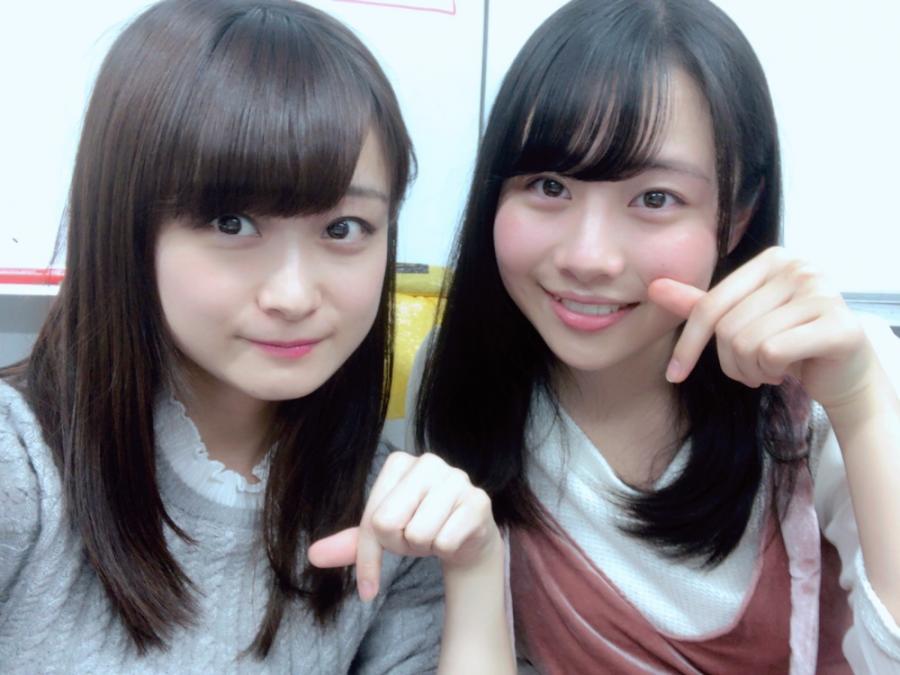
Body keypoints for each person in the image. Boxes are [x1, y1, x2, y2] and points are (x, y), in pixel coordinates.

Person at [0, 1, 512, 672]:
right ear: (125, 225)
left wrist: (476, 567)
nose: (294, 296)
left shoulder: (390, 516)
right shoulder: (20, 468)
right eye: (232, 223)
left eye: (344, 228)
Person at [411, 0, 900, 671]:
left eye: (655, 198)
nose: (588, 257)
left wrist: (864, 408)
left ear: (738, 216)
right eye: (550, 185)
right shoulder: (460, 378)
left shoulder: (833, 381)